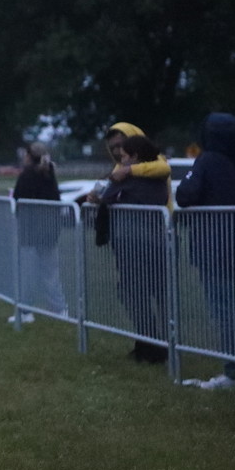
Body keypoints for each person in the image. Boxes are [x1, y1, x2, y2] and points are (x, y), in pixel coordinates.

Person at [175, 112, 235, 390]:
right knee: (233, 308)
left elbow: (185, 194)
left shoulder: (208, 160)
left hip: (214, 247)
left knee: (224, 310)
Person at [93, 124, 172, 363]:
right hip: (144, 240)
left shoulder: (150, 170)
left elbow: (113, 195)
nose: (118, 154)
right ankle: (151, 343)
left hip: (144, 240)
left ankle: (156, 345)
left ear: (135, 153)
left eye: (122, 148)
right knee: (142, 294)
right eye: (113, 148)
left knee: (140, 293)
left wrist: (108, 195)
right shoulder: (127, 172)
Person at [10, 141, 68, 324]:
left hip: (30, 230)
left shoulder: (27, 175)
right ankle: (59, 309)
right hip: (49, 230)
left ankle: (26, 310)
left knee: (27, 273)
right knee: (50, 272)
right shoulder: (49, 174)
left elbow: (18, 197)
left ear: (28, 156)